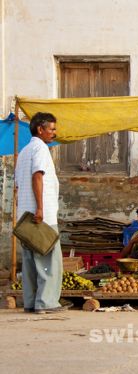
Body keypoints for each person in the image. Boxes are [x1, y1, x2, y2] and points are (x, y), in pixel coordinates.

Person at [15, 112, 67, 314]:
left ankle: (31, 302)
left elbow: (19, 185)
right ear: (40, 129)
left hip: (25, 215)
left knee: (29, 261)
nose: (54, 133)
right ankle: (47, 303)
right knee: (48, 259)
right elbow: (37, 177)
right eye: (52, 129)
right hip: (41, 216)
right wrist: (40, 208)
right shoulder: (41, 149)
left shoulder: (25, 151)